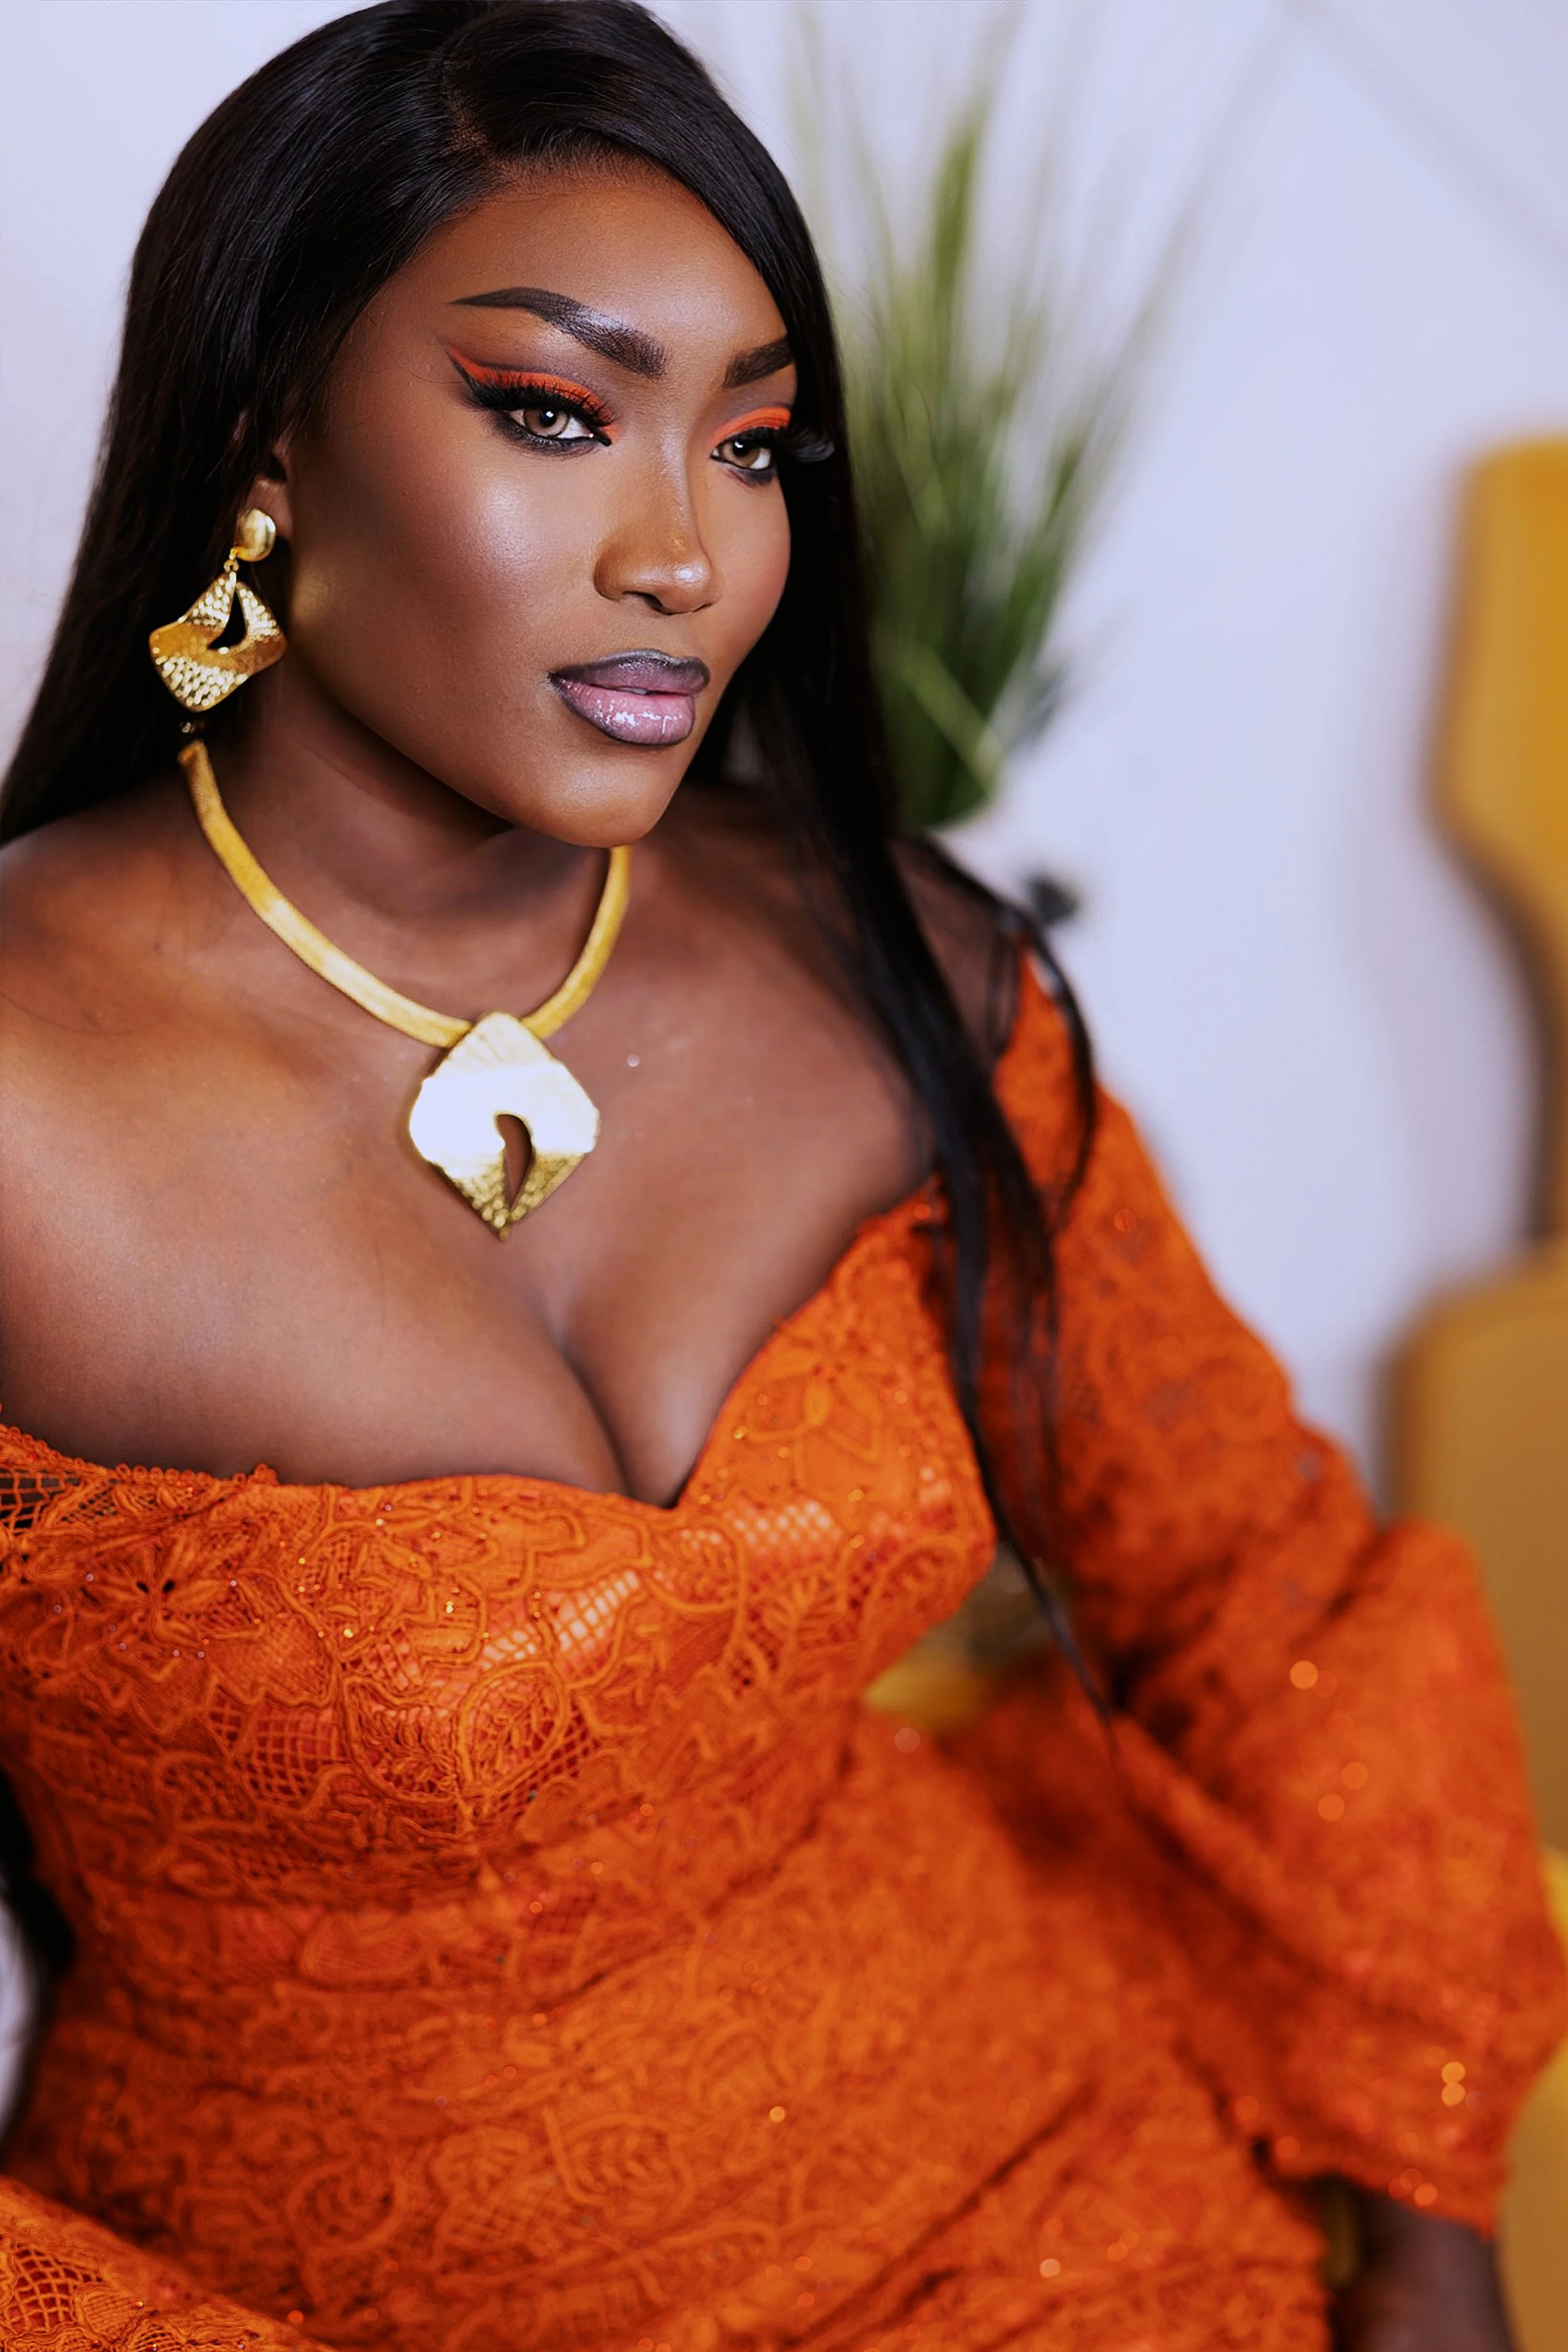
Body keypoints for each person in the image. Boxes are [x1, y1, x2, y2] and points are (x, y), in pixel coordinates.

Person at [0, 5, 1560, 2347]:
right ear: (267, 443)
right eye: (551, 413)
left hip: (1053, 2212)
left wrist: (1429, 2229)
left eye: (751, 443)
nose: (685, 555)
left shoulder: (893, 961)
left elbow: (1249, 1586)